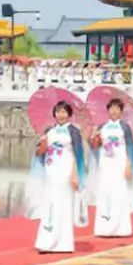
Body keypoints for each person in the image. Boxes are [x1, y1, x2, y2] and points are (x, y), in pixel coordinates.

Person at [28, 101, 87, 253]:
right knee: (49, 205)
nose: (61, 115)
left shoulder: (74, 131)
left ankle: (62, 243)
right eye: (58, 111)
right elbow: (39, 153)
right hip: (51, 173)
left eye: (64, 112)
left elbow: (78, 155)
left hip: (65, 173)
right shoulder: (49, 131)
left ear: (69, 114)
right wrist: (42, 144)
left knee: (63, 205)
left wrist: (75, 175)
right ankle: (46, 241)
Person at [88, 98, 133, 238]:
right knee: (105, 193)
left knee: (119, 193)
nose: (114, 111)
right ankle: (104, 228)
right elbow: (95, 146)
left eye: (117, 108)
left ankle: (121, 228)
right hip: (105, 164)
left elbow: (130, 148)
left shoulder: (125, 127)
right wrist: (93, 137)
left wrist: (129, 165)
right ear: (108, 110)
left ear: (121, 111)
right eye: (112, 108)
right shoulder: (102, 127)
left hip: (120, 164)